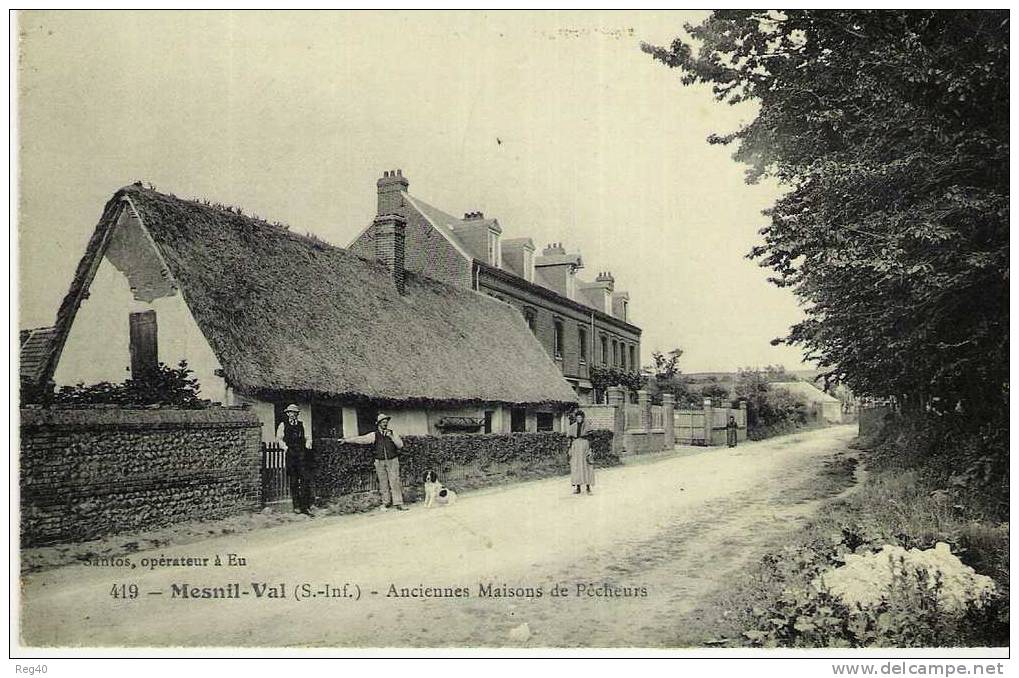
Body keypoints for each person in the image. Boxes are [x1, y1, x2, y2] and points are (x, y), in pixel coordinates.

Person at [339, 413, 406, 511]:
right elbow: (361, 439)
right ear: (378, 424)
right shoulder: (374, 435)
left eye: (386, 422)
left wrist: (391, 437)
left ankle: (399, 503)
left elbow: (400, 445)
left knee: (395, 481)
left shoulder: (392, 433)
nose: (385, 424)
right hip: (379, 461)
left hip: (392, 460)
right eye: (383, 422)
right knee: (383, 483)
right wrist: (346, 440)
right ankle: (386, 502)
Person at [275, 403, 315, 515]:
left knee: (305, 480)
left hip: (302, 454)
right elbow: (279, 439)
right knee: (293, 481)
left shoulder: (302, 424)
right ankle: (296, 506)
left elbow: (308, 437)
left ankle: (305, 506)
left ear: (297, 414)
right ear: (287, 414)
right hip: (291, 455)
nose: (292, 414)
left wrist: (308, 444)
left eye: (294, 413)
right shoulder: (283, 425)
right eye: (290, 412)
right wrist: (286, 448)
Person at [568, 410, 595, 495]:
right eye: (577, 417)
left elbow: (591, 439)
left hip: (584, 446)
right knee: (576, 466)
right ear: (575, 418)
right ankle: (578, 487)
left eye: (580, 417)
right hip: (575, 447)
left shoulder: (587, 426)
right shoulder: (572, 427)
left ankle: (588, 488)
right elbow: (570, 439)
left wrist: (590, 449)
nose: (579, 419)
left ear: (583, 418)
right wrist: (569, 448)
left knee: (586, 466)